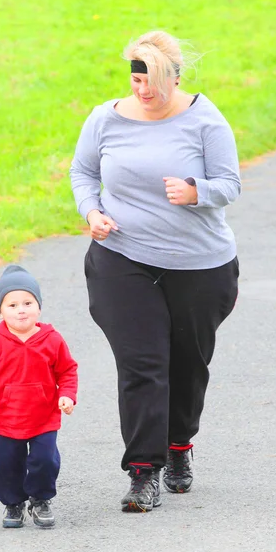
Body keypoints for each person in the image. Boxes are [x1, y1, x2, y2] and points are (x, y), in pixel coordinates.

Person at [70, 30, 240, 513]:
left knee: (187, 366)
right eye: (137, 78)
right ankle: (143, 473)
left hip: (199, 266)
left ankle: (179, 446)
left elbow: (230, 183)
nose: (144, 90)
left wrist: (196, 191)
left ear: (177, 77)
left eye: (154, 81)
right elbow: (83, 173)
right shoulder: (106, 118)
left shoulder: (205, 120)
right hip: (122, 258)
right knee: (143, 365)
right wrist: (91, 212)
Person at [0, 264, 78, 528]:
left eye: (28, 302)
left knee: (44, 460)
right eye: (12, 305)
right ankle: (13, 503)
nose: (21, 310)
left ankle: (40, 499)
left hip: (44, 416)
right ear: (0, 310)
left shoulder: (52, 339)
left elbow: (68, 370)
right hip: (7, 417)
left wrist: (68, 395)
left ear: (38, 306)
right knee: (6, 463)